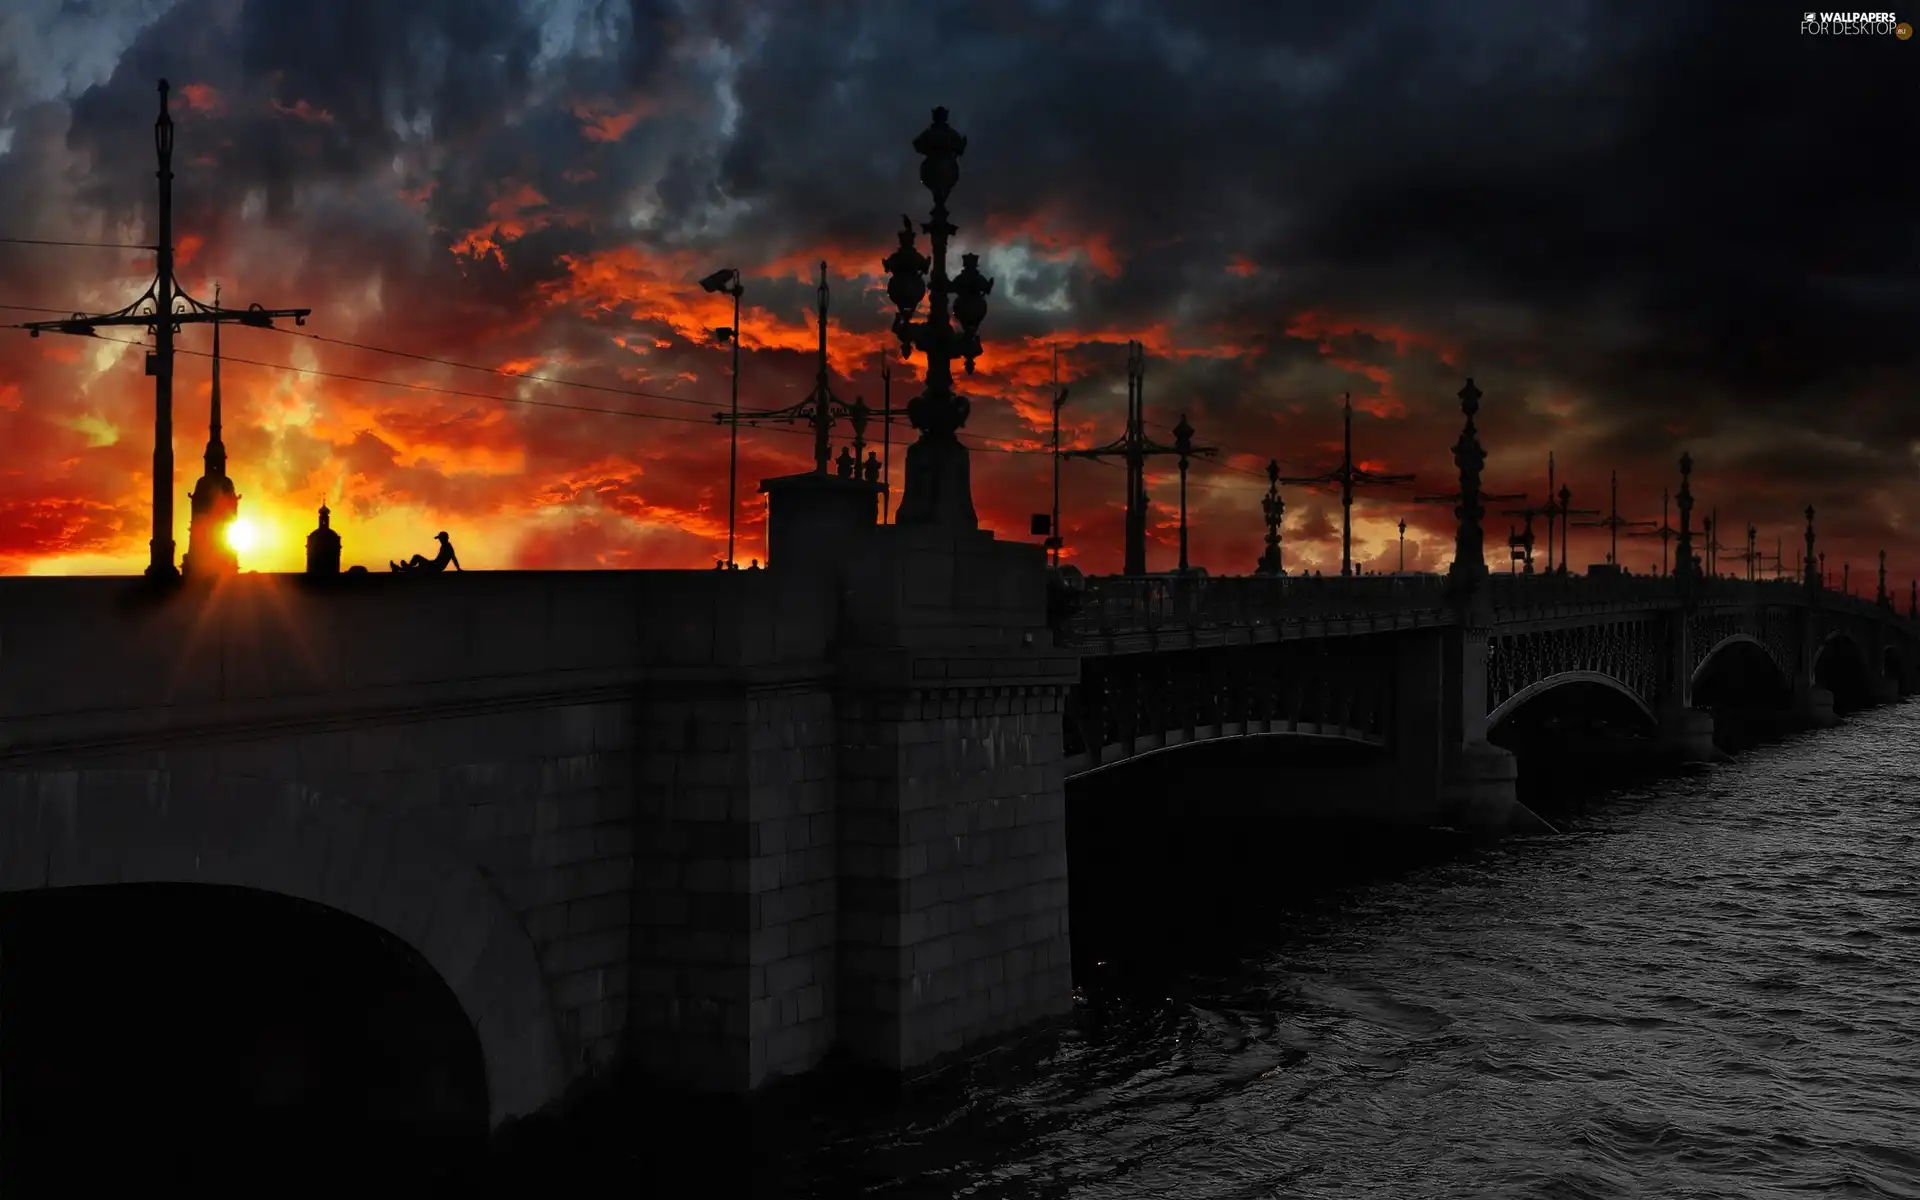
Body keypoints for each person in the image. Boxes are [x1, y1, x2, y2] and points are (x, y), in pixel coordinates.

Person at [391, 531, 461, 574]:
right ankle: (403, 567)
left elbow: (453, 558)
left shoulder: (448, 547)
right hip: (434, 566)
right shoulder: (444, 546)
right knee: (417, 561)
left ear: (444, 538)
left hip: (436, 569)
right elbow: (437, 560)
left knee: (418, 568)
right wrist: (430, 562)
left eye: (440, 538)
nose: (439, 540)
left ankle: (403, 567)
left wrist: (458, 569)